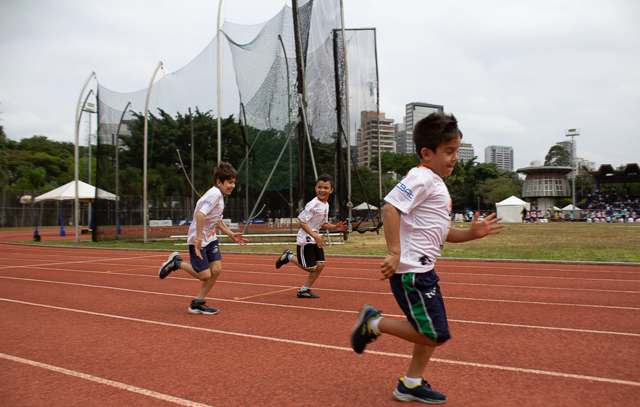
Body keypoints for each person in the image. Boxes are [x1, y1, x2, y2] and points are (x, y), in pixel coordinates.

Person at [350, 112, 503, 404]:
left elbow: (444, 233)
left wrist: (473, 233)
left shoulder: (436, 184)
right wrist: (394, 252)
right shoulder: (421, 177)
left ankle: (411, 382)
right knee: (434, 333)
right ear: (426, 153)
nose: (455, 157)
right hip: (411, 273)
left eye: (456, 151)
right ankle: (373, 323)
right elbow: (390, 208)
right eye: (449, 151)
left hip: (425, 271)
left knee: (429, 328)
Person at [158, 161, 247, 315]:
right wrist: (199, 238)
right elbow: (200, 215)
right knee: (204, 275)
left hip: (210, 238)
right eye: (229, 182)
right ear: (219, 182)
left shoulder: (219, 196)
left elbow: (216, 219)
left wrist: (230, 234)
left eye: (234, 182)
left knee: (216, 270)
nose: (232, 186)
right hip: (197, 239)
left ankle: (197, 303)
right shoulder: (215, 194)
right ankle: (176, 263)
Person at [274, 174, 346, 298]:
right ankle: (289, 256)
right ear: (315, 188)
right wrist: (314, 235)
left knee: (321, 265)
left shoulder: (326, 205)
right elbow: (302, 221)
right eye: (319, 187)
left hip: (315, 238)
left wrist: (335, 227)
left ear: (331, 190)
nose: (322, 190)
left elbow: (323, 223)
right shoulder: (312, 204)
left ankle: (304, 290)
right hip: (305, 239)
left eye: (325, 188)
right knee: (311, 268)